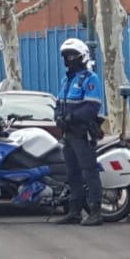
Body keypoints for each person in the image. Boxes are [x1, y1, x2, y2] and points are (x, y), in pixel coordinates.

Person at [53, 38, 105, 227]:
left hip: (83, 134)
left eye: (73, 55)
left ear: (82, 56)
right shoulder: (67, 80)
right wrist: (58, 116)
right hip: (68, 134)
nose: (69, 59)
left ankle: (96, 211)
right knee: (72, 173)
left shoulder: (90, 79)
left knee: (89, 171)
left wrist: (71, 118)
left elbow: (92, 107)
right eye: (67, 56)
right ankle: (74, 211)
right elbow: (59, 103)